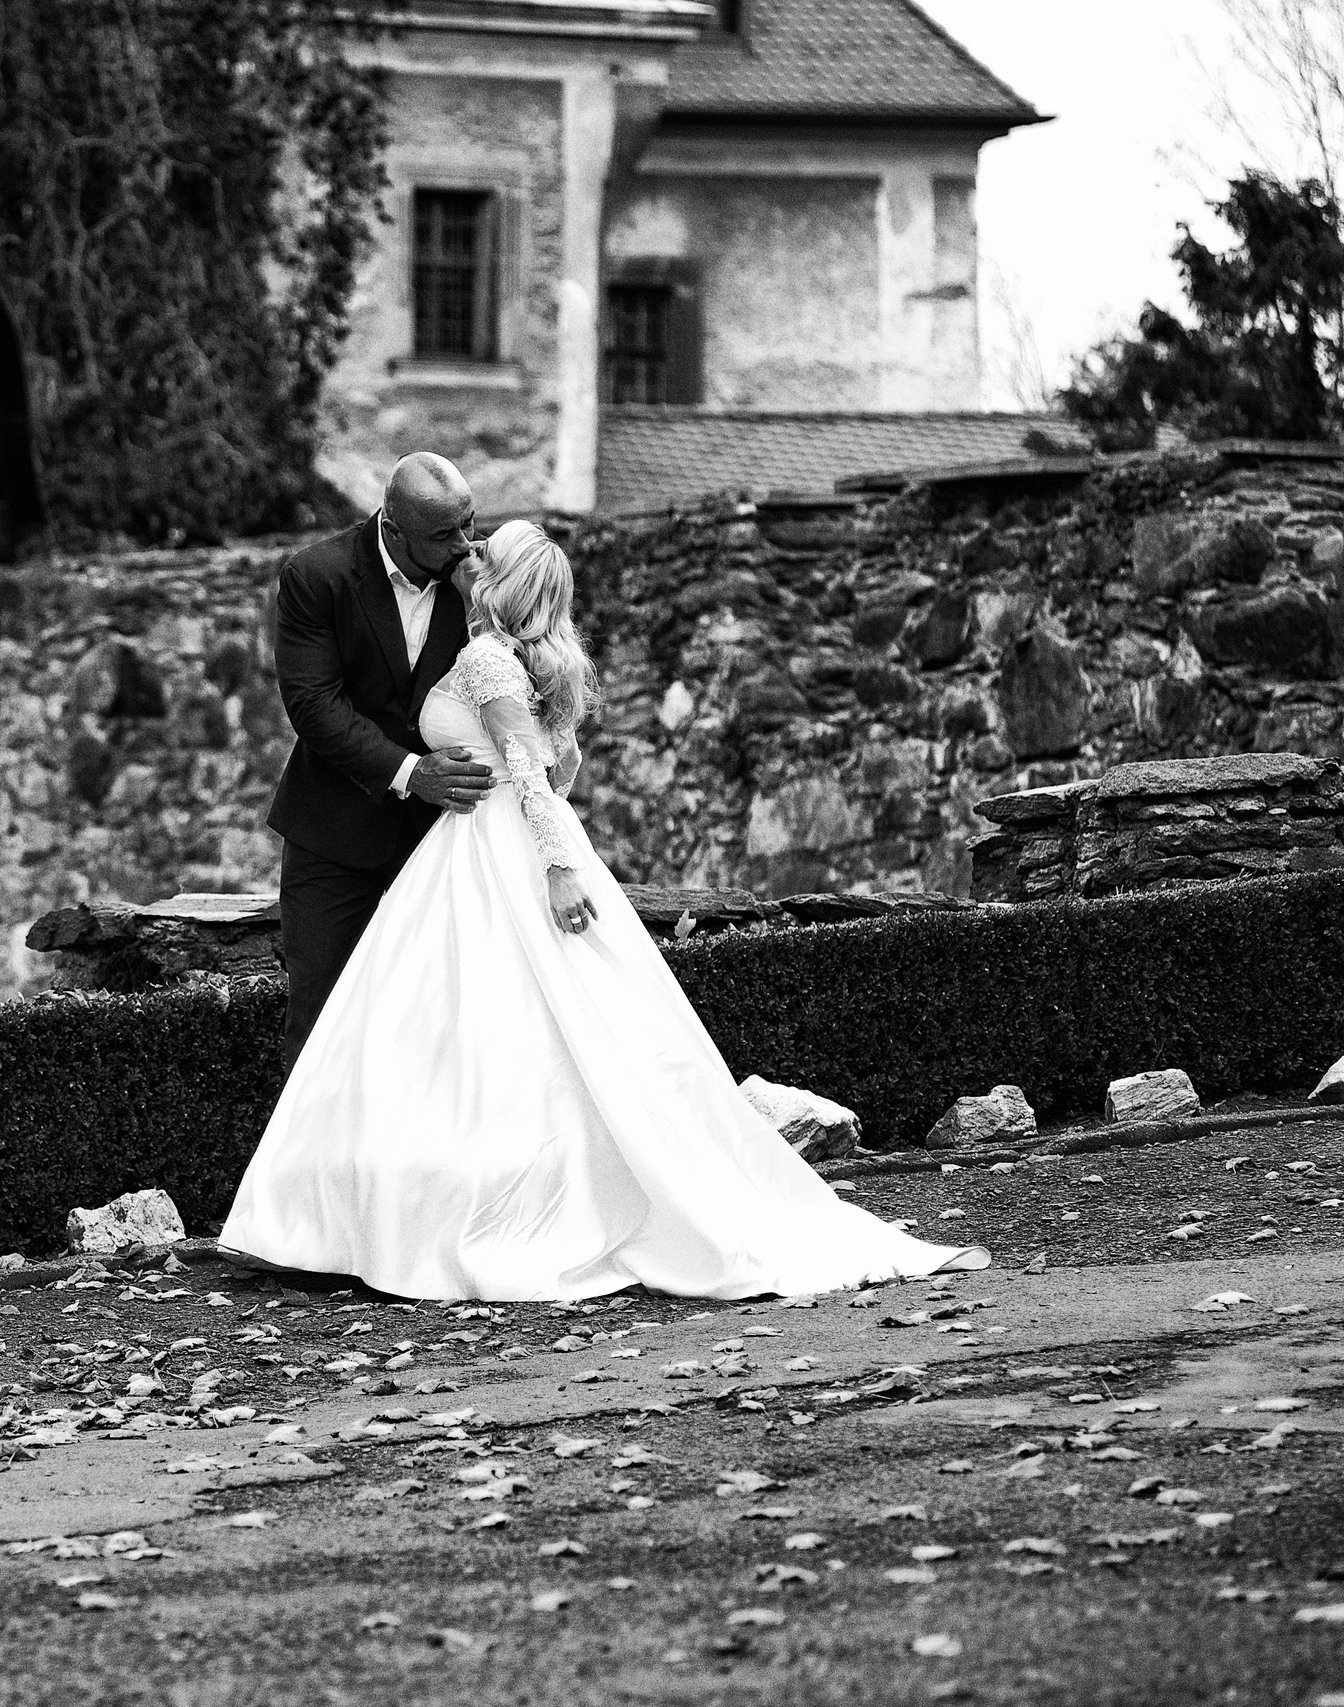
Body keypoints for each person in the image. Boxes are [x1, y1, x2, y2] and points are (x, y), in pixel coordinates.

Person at [223, 518, 987, 1301]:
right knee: (492, 1027)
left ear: (505, 579)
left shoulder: (486, 658)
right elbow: (564, 769)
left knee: (484, 1027)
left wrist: (557, 868)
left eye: (486, 550)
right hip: (481, 841)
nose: (471, 552)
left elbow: (531, 773)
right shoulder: (527, 656)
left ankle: (443, 1211)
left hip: (496, 846)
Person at [264, 453, 496, 1071]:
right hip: (335, 834)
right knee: (322, 1023)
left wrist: (484, 607)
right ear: (392, 528)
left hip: (447, 841)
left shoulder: (482, 577)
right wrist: (412, 773)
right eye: (443, 534)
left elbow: (526, 671)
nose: (464, 544)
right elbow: (314, 706)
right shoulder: (318, 576)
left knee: (445, 1025)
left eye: (469, 523)